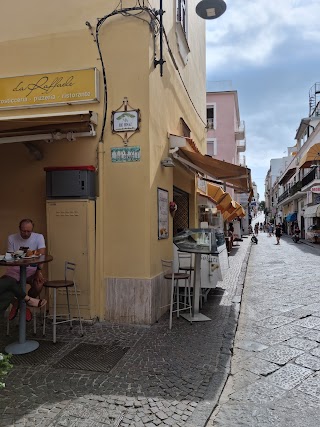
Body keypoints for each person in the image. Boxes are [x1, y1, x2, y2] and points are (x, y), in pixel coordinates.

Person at [3, 219, 46, 320]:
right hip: (15, 269)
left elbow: (42, 255)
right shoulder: (12, 238)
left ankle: (25, 304)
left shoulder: (39, 237)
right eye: (23, 231)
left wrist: (39, 271)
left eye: (29, 231)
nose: (26, 233)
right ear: (19, 229)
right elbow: (11, 257)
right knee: (4, 284)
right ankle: (17, 303)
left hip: (32, 269)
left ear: (32, 229)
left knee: (38, 284)